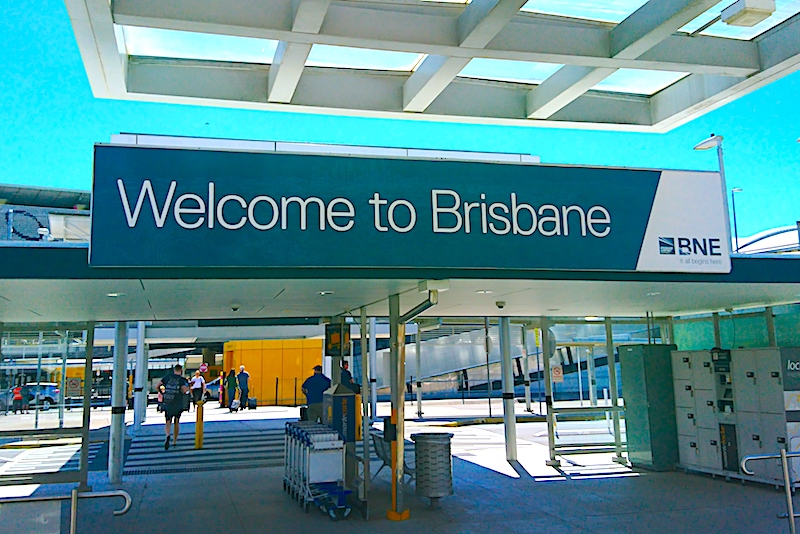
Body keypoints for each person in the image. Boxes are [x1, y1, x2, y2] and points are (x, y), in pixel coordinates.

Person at [158, 364, 189, 450]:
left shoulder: (167, 378)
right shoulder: (182, 380)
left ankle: (168, 435)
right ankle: (174, 441)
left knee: (168, 421)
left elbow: (158, 386)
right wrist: (189, 386)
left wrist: (163, 393)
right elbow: (183, 390)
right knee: (176, 421)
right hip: (177, 402)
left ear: (174, 370)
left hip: (168, 402)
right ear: (181, 370)